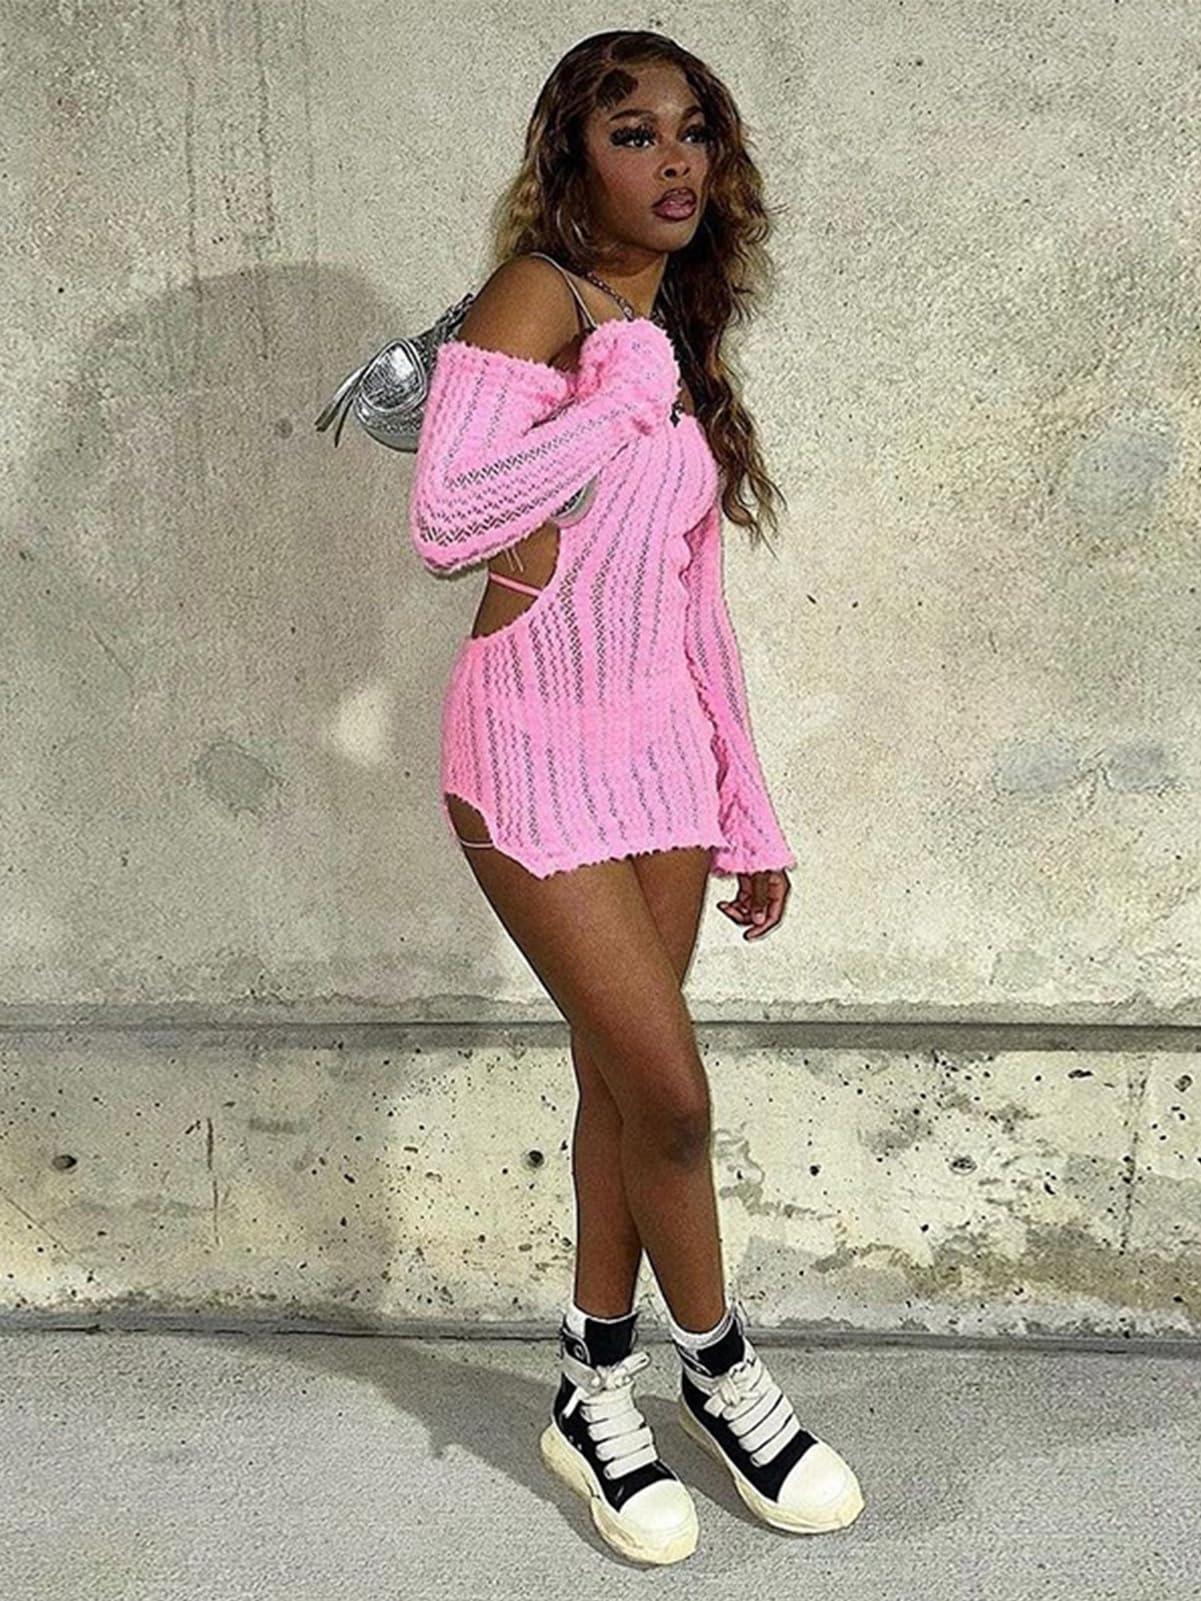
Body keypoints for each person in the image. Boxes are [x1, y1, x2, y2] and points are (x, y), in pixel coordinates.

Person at [408, 29, 864, 1565]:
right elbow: (445, 520)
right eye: (631, 133)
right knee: (672, 1098)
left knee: (619, 1083)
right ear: (572, 159)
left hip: (660, 758)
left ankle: (593, 1381)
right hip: (528, 753)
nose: (672, 160)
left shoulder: (672, 330)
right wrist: (610, 399)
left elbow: (692, 608)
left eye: (692, 132)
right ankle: (721, 1370)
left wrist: (750, 807)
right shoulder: (538, 299)